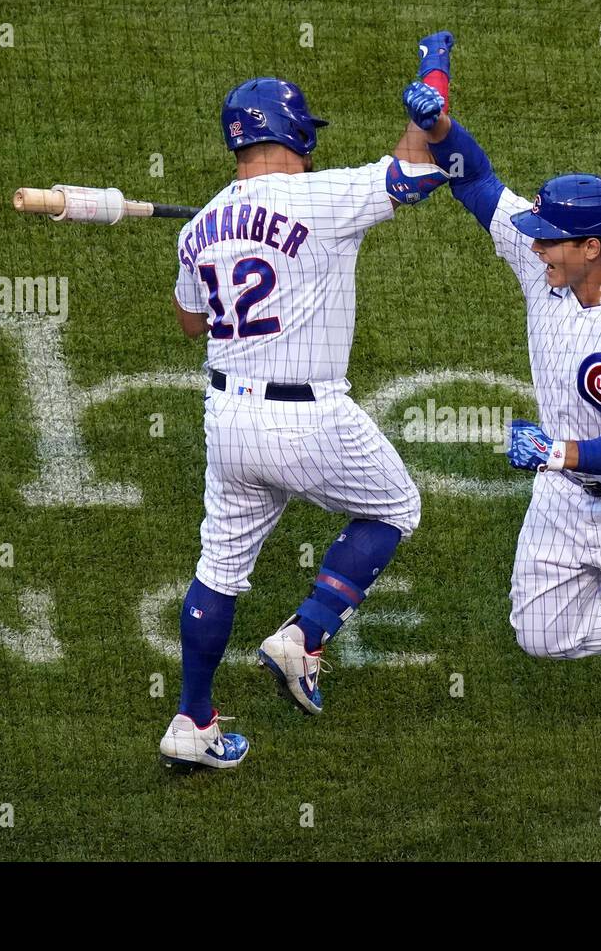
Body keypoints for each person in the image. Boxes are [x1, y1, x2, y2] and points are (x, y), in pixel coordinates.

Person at [403, 66, 601, 828]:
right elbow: (478, 186)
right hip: (565, 500)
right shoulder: (551, 275)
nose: (535, 249)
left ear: (593, 246)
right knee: (538, 634)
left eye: (551, 241)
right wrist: (439, 129)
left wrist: (558, 453)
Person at [158, 41, 453, 770]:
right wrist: (431, 84)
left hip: (227, 422)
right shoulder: (319, 198)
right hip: (310, 419)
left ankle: (192, 724)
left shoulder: (199, 227)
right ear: (295, 134)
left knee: (218, 569)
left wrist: (220, 245)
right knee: (393, 508)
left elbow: (190, 321)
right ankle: (305, 635)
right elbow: (416, 172)